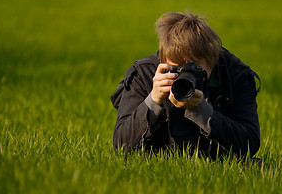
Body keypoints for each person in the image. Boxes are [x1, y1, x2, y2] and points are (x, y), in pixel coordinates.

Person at [111, 12, 260, 159]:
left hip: (216, 161)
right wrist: (153, 101)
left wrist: (202, 110)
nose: (185, 75)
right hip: (158, 163)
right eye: (178, 68)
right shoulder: (144, 75)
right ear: (164, 59)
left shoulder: (235, 75)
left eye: (194, 67)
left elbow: (250, 144)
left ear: (212, 60)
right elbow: (121, 144)